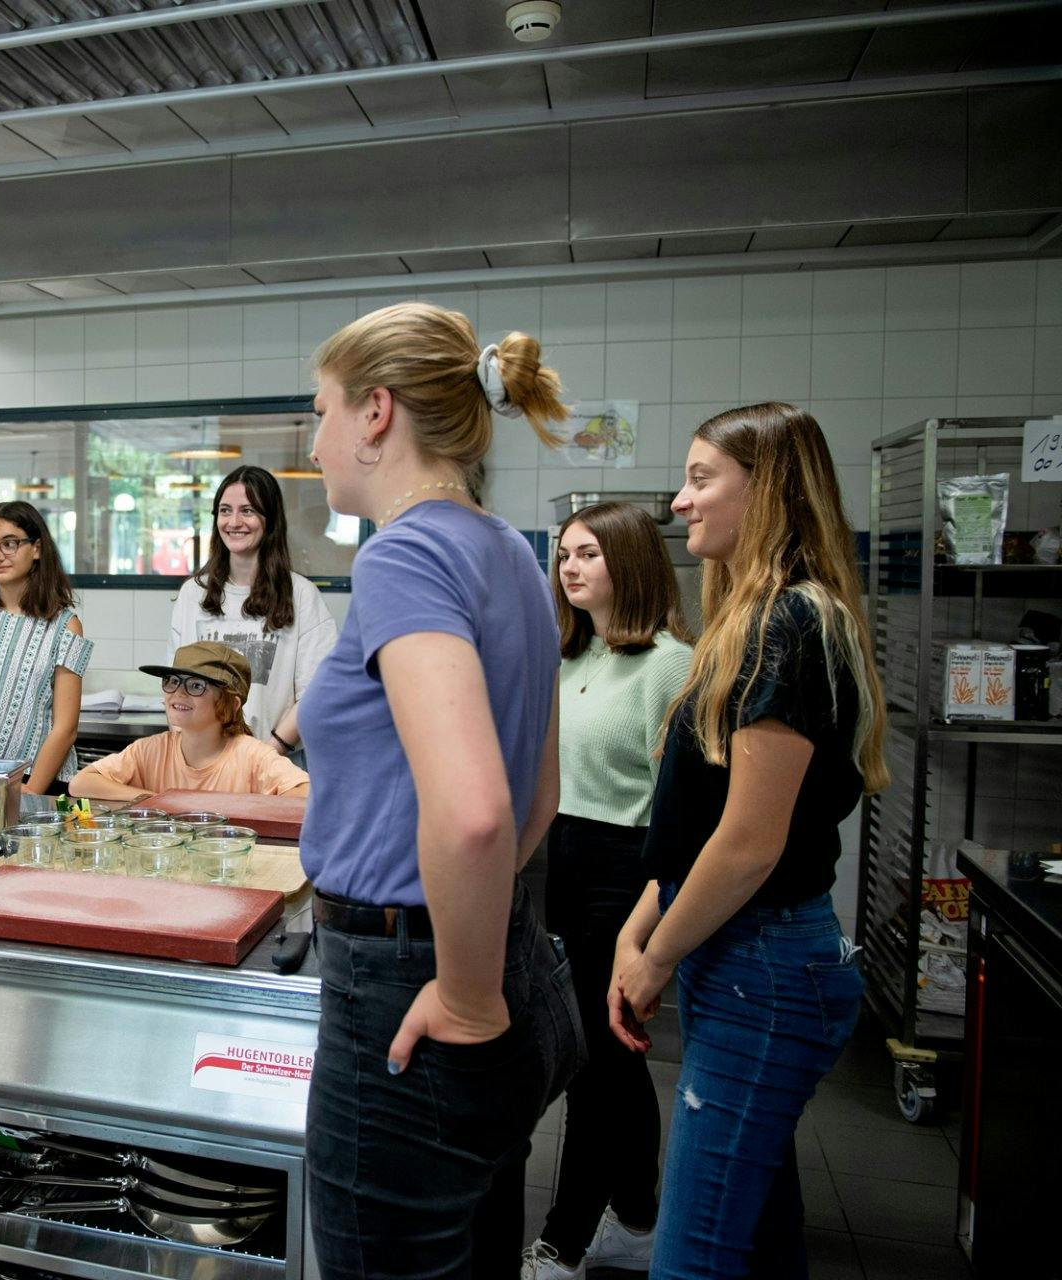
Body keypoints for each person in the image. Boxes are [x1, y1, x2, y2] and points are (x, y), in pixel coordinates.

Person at [296, 302, 582, 1280]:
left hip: (412, 984)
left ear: (376, 412)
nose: (316, 436)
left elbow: (475, 810)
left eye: (322, 409)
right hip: (511, 958)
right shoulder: (510, 549)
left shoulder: (403, 551)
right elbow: (538, 790)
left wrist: (460, 993)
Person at [609, 404, 886, 1279]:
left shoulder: (790, 625)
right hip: (742, 952)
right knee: (759, 1240)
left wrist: (654, 961)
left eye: (701, 479)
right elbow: (695, 823)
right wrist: (638, 927)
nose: (680, 503)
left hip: (766, 965)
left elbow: (749, 844)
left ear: (766, 491)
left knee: (693, 1259)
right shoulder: (752, 620)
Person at [521, 502, 694, 1280]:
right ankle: (638, 1215)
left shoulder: (671, 666)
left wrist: (655, 915)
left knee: (597, 1058)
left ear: (629, 561)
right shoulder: (565, 656)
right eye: (564, 554)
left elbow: (683, 810)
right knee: (614, 1061)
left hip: (626, 873)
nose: (570, 566)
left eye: (588, 552)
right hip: (555, 862)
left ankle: (564, 1241)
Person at [171, 465, 338, 755]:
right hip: (204, 763)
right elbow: (177, 686)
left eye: (247, 510)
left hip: (276, 762)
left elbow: (317, 691)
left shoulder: (301, 596)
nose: (234, 521)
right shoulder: (193, 595)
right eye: (225, 510)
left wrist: (266, 756)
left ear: (269, 520)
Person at [0, 501, 91, 794]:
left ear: (36, 549)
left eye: (9, 544)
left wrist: (30, 792)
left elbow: (65, 728)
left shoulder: (66, 626)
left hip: (41, 783)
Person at [69, 641, 310, 801]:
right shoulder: (151, 750)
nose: (178, 693)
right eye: (172, 681)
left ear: (231, 704)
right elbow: (81, 783)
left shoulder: (252, 756)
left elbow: (307, 793)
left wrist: (245, 807)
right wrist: (156, 800)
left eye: (196, 686)